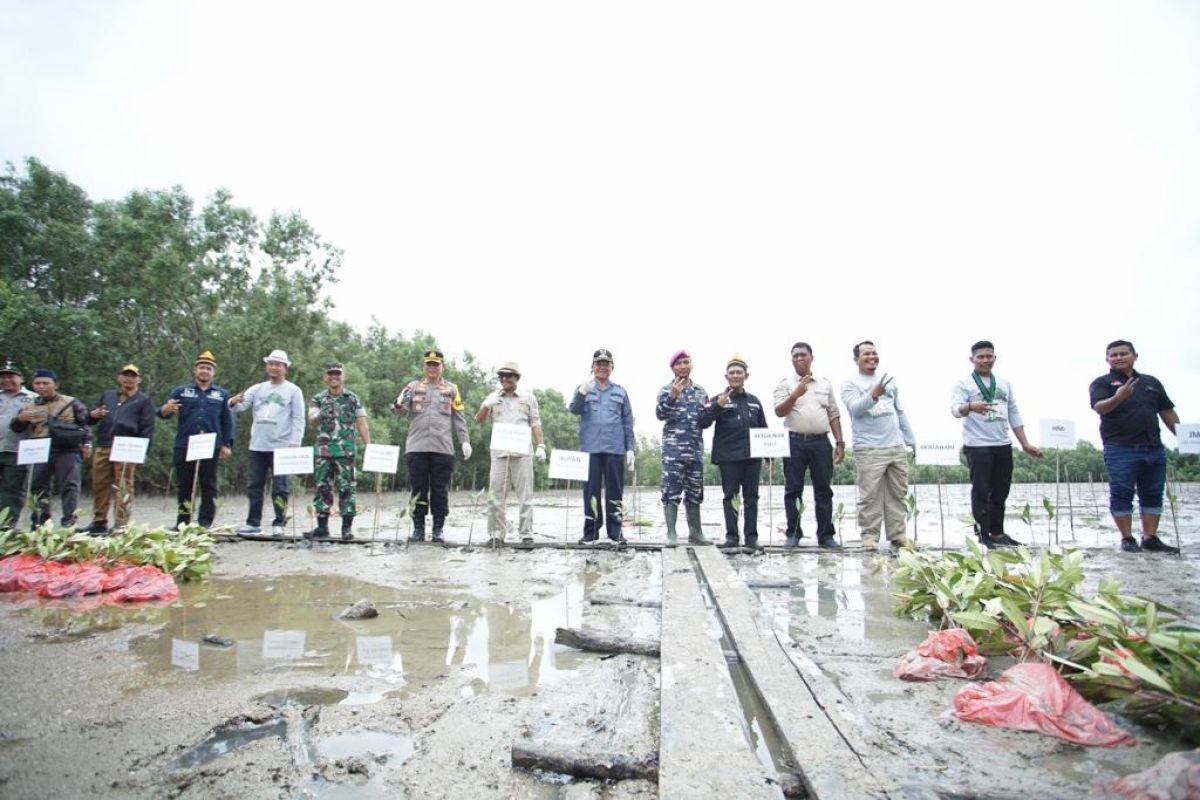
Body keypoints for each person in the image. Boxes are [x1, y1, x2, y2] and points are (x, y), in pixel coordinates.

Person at [1089, 339, 1181, 554]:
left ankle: (1150, 538)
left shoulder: (1151, 383)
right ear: (1107, 359)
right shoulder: (1102, 383)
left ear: (1135, 356)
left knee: (1153, 492)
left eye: (1123, 353)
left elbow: (1166, 411)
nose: (1119, 357)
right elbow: (1099, 407)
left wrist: (1185, 438)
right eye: (1114, 355)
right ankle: (1127, 538)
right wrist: (1118, 397)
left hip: (1153, 446)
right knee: (1121, 492)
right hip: (1120, 447)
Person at [950, 341, 1042, 548]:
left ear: (994, 358)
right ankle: (983, 534)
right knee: (981, 490)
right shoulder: (964, 384)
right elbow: (955, 410)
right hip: (977, 444)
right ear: (972, 359)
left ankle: (998, 533)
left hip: (1002, 443)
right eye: (980, 357)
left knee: (1001, 491)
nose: (984, 360)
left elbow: (1014, 413)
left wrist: (1025, 443)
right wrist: (971, 406)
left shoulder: (1004, 383)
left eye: (988, 356)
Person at [840, 341, 915, 550]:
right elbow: (855, 409)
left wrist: (910, 440)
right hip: (869, 447)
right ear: (856, 359)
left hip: (895, 446)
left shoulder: (890, 382)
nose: (871, 357)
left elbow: (899, 411)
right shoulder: (849, 384)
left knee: (898, 492)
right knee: (870, 494)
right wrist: (874, 393)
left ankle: (898, 534)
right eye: (866, 354)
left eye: (874, 353)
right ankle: (869, 536)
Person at [393, 349, 471, 543]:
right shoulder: (412, 387)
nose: (432, 368)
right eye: (429, 364)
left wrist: (465, 441)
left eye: (436, 364)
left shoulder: (452, 389)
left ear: (442, 367)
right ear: (424, 366)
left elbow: (459, 418)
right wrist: (398, 402)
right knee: (418, 489)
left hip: (442, 448)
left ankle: (438, 529)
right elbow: (400, 412)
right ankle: (418, 528)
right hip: (417, 446)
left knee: (440, 490)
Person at [773, 342, 845, 549]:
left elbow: (834, 414)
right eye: (794, 356)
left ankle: (826, 535)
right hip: (794, 442)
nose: (798, 359)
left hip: (821, 442)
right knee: (793, 490)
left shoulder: (825, 383)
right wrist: (795, 394)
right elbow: (779, 411)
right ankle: (793, 533)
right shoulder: (785, 384)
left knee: (823, 490)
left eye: (803, 355)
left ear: (812, 357)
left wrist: (839, 442)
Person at [230, 349, 306, 536]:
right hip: (257, 445)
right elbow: (239, 407)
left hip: (282, 445)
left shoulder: (293, 390)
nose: (274, 367)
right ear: (266, 366)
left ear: (285, 368)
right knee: (255, 485)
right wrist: (232, 401)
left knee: (280, 486)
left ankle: (279, 523)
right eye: (271, 363)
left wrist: (296, 441)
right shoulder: (257, 388)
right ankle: (253, 523)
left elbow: (298, 418)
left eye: (278, 364)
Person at [160, 351, 236, 529]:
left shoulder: (222, 394)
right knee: (184, 484)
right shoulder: (182, 391)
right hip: (185, 443)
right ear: (195, 370)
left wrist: (227, 444)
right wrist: (165, 409)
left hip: (210, 445)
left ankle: (205, 522)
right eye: (202, 367)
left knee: (208, 484)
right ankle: (183, 522)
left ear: (213, 372)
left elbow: (228, 420)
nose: (205, 371)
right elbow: (164, 413)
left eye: (208, 368)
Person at [475, 361, 546, 545]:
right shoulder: (492, 397)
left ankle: (526, 534)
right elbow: (479, 420)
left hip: (522, 453)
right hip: (499, 453)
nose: (504, 379)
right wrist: (485, 405)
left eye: (508, 376)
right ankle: (496, 535)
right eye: (501, 376)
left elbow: (535, 423)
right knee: (495, 495)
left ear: (517, 378)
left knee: (525, 495)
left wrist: (541, 445)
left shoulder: (528, 398)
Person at [9, 369, 91, 529]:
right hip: (39, 448)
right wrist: (20, 419)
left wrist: (87, 444)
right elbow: (16, 428)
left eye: (46, 383)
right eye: (37, 383)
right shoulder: (29, 405)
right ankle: (40, 522)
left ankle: (69, 522)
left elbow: (85, 423)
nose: (41, 387)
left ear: (56, 385)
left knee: (70, 485)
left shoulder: (71, 402)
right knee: (38, 487)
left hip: (67, 449)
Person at [700, 355, 767, 548]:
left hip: (753, 457)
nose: (735, 375)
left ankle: (752, 537)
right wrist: (717, 407)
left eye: (739, 372)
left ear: (746, 375)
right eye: (732, 373)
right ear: (726, 376)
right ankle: (732, 536)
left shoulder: (754, 401)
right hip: (728, 458)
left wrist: (770, 455)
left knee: (751, 498)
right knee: (731, 497)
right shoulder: (718, 399)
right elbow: (703, 422)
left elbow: (764, 428)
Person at [82, 363, 157, 534]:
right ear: (119, 377)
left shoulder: (144, 400)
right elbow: (89, 418)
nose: (128, 378)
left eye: (133, 376)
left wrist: (143, 452)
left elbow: (147, 428)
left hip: (127, 447)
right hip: (104, 444)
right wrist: (92, 414)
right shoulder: (107, 396)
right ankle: (99, 521)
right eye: (125, 375)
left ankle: (121, 523)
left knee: (123, 486)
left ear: (139, 379)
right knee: (99, 484)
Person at [569, 349, 635, 544]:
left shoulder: (620, 391)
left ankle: (615, 532)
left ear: (612, 367)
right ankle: (591, 532)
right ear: (592, 367)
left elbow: (627, 421)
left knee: (615, 491)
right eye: (598, 364)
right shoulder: (584, 388)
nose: (602, 367)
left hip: (615, 448)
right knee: (591, 491)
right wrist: (582, 393)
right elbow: (574, 409)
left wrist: (630, 447)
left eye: (606, 364)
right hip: (590, 448)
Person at [306, 362, 370, 541]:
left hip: (346, 452)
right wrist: (320, 414)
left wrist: (369, 446)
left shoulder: (352, 398)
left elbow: (362, 422)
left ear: (344, 377)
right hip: (323, 452)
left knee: (347, 489)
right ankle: (322, 528)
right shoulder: (318, 398)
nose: (334, 377)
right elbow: (311, 420)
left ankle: (346, 529)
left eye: (337, 374)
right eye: (330, 374)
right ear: (325, 377)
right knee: (322, 489)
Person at [655, 350, 709, 546]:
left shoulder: (701, 392)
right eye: (679, 364)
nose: (683, 366)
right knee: (671, 492)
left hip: (695, 450)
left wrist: (716, 408)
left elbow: (705, 420)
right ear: (672, 368)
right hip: (673, 451)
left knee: (695, 491)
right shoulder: (665, 390)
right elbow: (660, 414)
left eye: (686, 362)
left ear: (691, 365)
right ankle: (672, 534)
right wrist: (672, 397)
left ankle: (696, 532)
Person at [0, 360, 35, 529]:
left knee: (12, 490)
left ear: (20, 378)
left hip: (18, 450)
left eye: (10, 376)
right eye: (3, 377)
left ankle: (6, 528)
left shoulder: (33, 398)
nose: (6, 380)